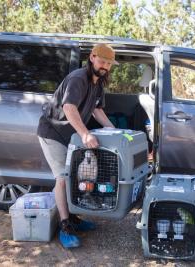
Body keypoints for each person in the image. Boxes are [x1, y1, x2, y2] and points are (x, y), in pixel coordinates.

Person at [37, 43, 117, 248]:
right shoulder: (78, 78)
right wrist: (85, 133)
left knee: (74, 178)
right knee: (63, 179)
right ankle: (65, 226)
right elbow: (69, 107)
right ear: (92, 57)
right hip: (52, 132)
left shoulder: (98, 83)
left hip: (70, 135)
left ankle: (73, 219)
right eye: (102, 61)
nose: (105, 66)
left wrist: (114, 129)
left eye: (108, 63)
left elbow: (96, 110)